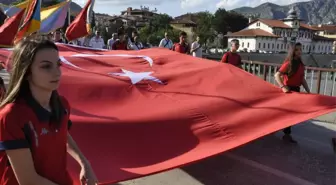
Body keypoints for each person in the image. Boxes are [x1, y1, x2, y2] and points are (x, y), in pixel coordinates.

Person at [0, 35, 98, 185]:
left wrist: (84, 163)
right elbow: (28, 180)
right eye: (46, 66)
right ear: (26, 72)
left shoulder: (62, 104)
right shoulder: (11, 115)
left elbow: (63, 133)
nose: (57, 72)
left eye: (58, 64)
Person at [274, 42, 310, 143]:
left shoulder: (301, 64)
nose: (299, 52)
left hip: (296, 91)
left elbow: (302, 79)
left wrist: (308, 91)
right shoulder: (289, 63)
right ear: (293, 51)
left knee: (291, 114)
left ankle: (286, 133)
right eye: (297, 50)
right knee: (287, 114)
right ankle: (285, 134)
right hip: (288, 91)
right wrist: (283, 87)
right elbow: (277, 75)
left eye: (300, 49)